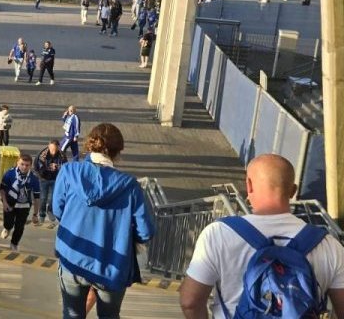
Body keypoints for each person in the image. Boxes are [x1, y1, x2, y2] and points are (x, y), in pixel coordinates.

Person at [179, 154, 344, 319]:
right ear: (293, 191)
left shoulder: (218, 233)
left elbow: (190, 302)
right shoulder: (329, 245)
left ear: (249, 185)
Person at [53, 123, 154, 319]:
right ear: (117, 152)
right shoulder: (130, 186)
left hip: (73, 257)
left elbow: (58, 209)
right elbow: (146, 232)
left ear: (90, 145)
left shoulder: (69, 172)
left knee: (72, 313)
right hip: (112, 265)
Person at [0, 154, 40, 252]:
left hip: (24, 206)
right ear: (17, 163)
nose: (24, 167)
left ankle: (14, 243)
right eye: (22, 164)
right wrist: (4, 202)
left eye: (27, 165)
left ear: (30, 166)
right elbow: (2, 189)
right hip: (10, 202)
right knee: (8, 223)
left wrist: (35, 214)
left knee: (20, 227)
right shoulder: (10, 173)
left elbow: (37, 197)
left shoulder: (33, 178)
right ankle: (7, 228)